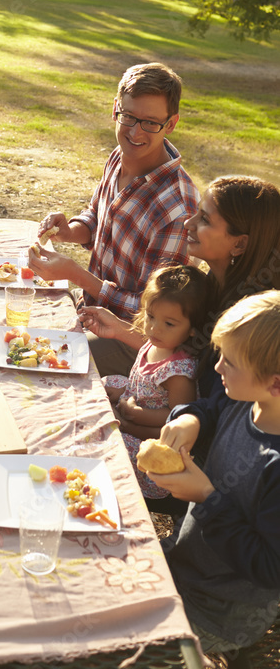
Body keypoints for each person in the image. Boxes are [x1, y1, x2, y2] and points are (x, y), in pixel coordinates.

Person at [30, 62, 199, 376]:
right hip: (90, 312)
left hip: (133, 342)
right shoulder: (120, 155)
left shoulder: (177, 209)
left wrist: (77, 276)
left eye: (150, 123)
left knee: (37, 360)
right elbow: (96, 218)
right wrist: (69, 232)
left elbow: (156, 312)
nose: (135, 132)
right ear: (115, 109)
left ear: (171, 124)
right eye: (129, 117)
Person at [147, 291, 280, 657]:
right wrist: (191, 418)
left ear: (275, 382)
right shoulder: (243, 400)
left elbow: (270, 567)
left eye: (230, 362)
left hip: (217, 611)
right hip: (180, 564)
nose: (217, 367)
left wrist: (207, 498)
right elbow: (210, 408)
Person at [79, 175, 280, 395]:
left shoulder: (250, 318)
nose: (188, 223)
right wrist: (119, 329)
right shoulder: (212, 283)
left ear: (239, 244)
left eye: (204, 219)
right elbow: (180, 347)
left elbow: (213, 406)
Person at [104, 264, 215, 499]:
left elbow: (175, 417)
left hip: (152, 442)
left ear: (193, 329)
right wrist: (122, 390)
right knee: (103, 383)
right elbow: (141, 383)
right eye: (150, 316)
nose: (154, 328)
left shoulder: (177, 372)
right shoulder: (155, 343)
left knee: (110, 443)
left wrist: (134, 419)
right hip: (135, 407)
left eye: (169, 323)